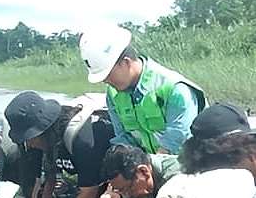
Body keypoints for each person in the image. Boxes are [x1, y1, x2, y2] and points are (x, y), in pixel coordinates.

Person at [79, 25, 206, 155]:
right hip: (147, 165)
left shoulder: (175, 89)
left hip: (188, 165)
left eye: (108, 75)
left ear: (126, 63)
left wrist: (146, 168)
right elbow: (122, 137)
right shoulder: (113, 94)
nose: (105, 81)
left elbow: (176, 140)